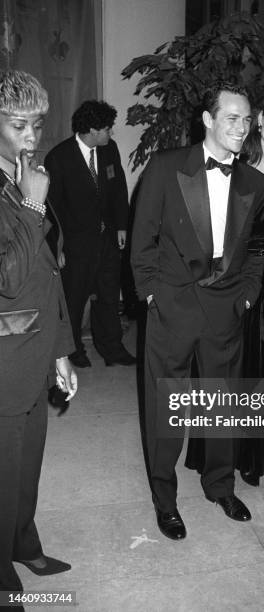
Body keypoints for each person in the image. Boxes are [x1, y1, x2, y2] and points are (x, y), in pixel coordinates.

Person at [131, 82, 264, 540]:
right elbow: (143, 239)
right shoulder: (168, 167)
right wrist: (152, 294)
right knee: (167, 408)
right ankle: (165, 500)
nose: (242, 127)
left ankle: (219, 486)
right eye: (232, 117)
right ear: (208, 120)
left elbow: (254, 250)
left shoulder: (256, 181)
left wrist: (247, 296)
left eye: (247, 118)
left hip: (226, 309)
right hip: (171, 307)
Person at [186, 88, 264, 485]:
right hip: (229, 281)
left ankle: (255, 457)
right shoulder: (232, 160)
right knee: (223, 369)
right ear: (259, 118)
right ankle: (215, 454)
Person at [0, 69, 77, 605]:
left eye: (37, 125)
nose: (32, 136)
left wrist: (62, 351)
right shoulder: (25, 188)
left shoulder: (25, 176)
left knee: (27, 467)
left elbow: (47, 271)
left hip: (35, 350)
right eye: (19, 125)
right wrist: (31, 206)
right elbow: (5, 278)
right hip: (3, 361)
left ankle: (23, 544)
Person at [45, 100, 136, 369]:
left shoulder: (109, 151)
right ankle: (73, 350)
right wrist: (57, 248)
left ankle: (112, 348)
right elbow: (51, 209)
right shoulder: (59, 157)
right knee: (74, 299)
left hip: (107, 240)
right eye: (108, 129)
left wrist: (121, 226)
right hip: (75, 245)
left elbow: (119, 189)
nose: (111, 134)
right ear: (93, 129)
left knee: (108, 296)